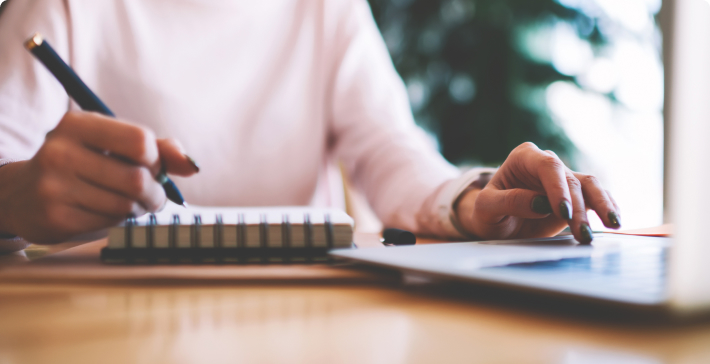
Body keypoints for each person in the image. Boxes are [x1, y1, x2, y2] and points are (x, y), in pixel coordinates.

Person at [0, 0, 620, 253]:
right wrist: (12, 199)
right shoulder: (58, 7)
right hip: (107, 319)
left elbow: (390, 149)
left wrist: (474, 199)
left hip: (307, 318)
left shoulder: (324, 7)